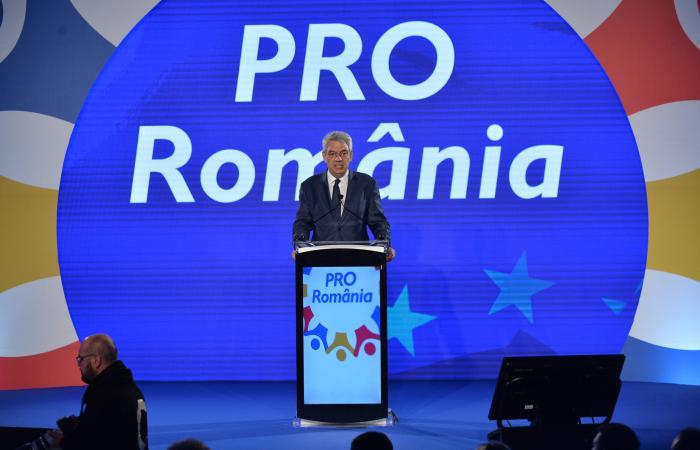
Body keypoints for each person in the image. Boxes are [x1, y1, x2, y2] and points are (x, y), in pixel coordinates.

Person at [292, 131, 395, 261]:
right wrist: (300, 246)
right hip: (321, 261)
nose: (338, 159)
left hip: (359, 260)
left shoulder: (367, 184)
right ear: (324, 156)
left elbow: (379, 222)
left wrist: (383, 245)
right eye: (332, 154)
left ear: (351, 155)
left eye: (343, 153)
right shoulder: (309, 186)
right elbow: (302, 223)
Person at [37, 334, 148, 450]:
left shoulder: (105, 395)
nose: (78, 364)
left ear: (96, 361)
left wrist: (63, 443)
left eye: (81, 359)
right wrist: (83, 422)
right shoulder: (128, 388)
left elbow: (95, 444)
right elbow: (110, 431)